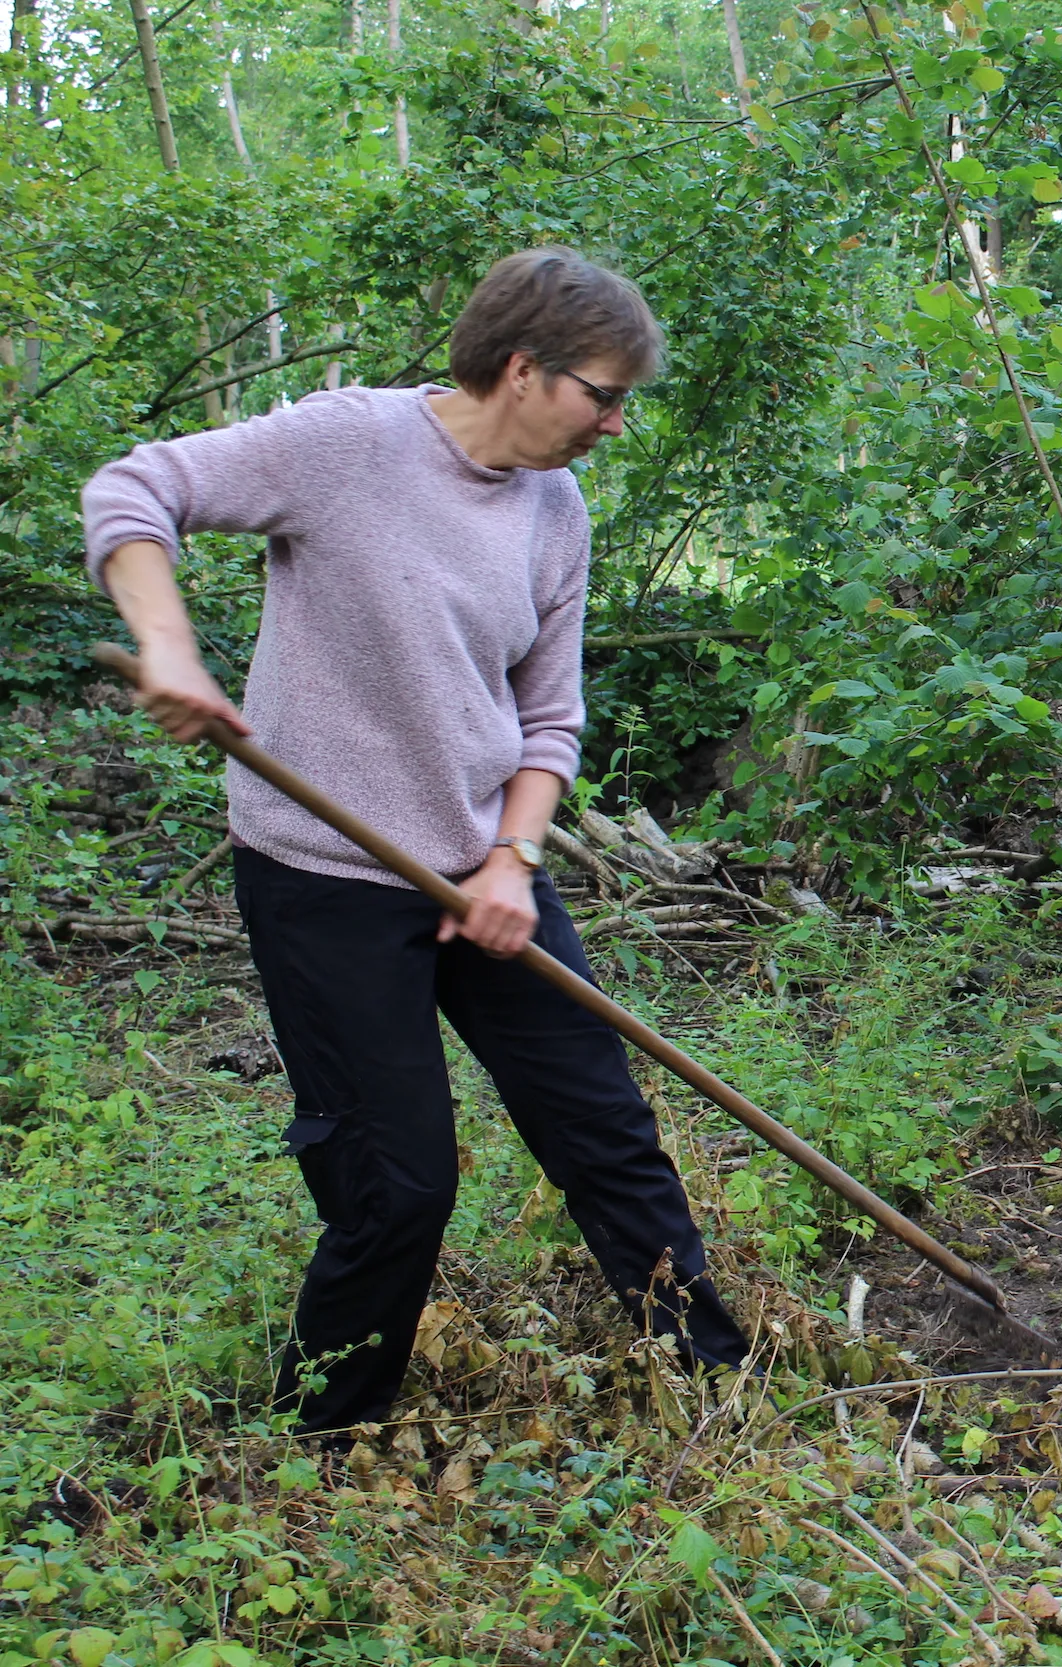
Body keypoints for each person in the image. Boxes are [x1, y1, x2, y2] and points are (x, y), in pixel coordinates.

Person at [83, 247, 748, 1436]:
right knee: (396, 1182)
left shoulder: (557, 507)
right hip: (324, 875)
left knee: (604, 1127)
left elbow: (549, 717)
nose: (612, 422)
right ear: (521, 367)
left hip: (485, 862)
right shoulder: (347, 446)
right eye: (603, 394)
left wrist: (511, 859)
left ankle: (716, 1379)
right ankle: (322, 1441)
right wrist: (171, 647)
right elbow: (135, 490)